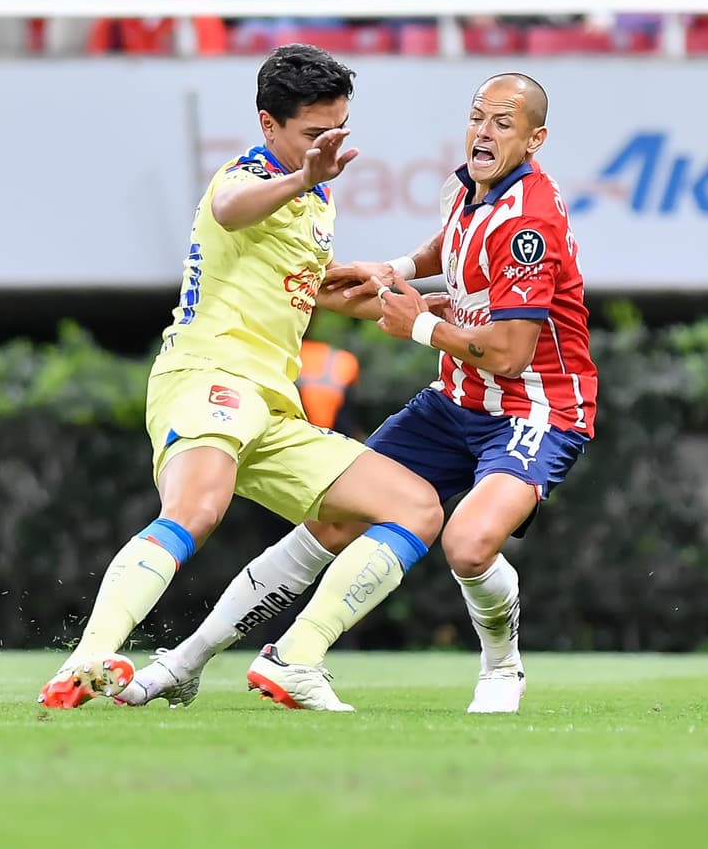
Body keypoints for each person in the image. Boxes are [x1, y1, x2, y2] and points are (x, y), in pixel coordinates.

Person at [119, 72, 597, 714]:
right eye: (477, 116)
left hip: (536, 409)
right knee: (334, 518)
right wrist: (392, 273)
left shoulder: (530, 220)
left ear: (535, 138)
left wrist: (418, 323)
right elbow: (451, 249)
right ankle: (186, 661)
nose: (483, 132)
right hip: (454, 401)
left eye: (502, 123)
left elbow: (511, 354)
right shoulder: (471, 187)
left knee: (468, 542)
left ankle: (501, 667)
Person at [38, 43, 443, 711]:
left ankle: (297, 657)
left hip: (275, 408)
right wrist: (302, 176)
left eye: (338, 131)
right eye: (315, 135)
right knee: (196, 509)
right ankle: (87, 657)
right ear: (268, 125)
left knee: (416, 505)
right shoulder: (247, 173)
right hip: (208, 377)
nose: (328, 147)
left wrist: (419, 306)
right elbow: (231, 209)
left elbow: (320, 290)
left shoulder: (315, 204)